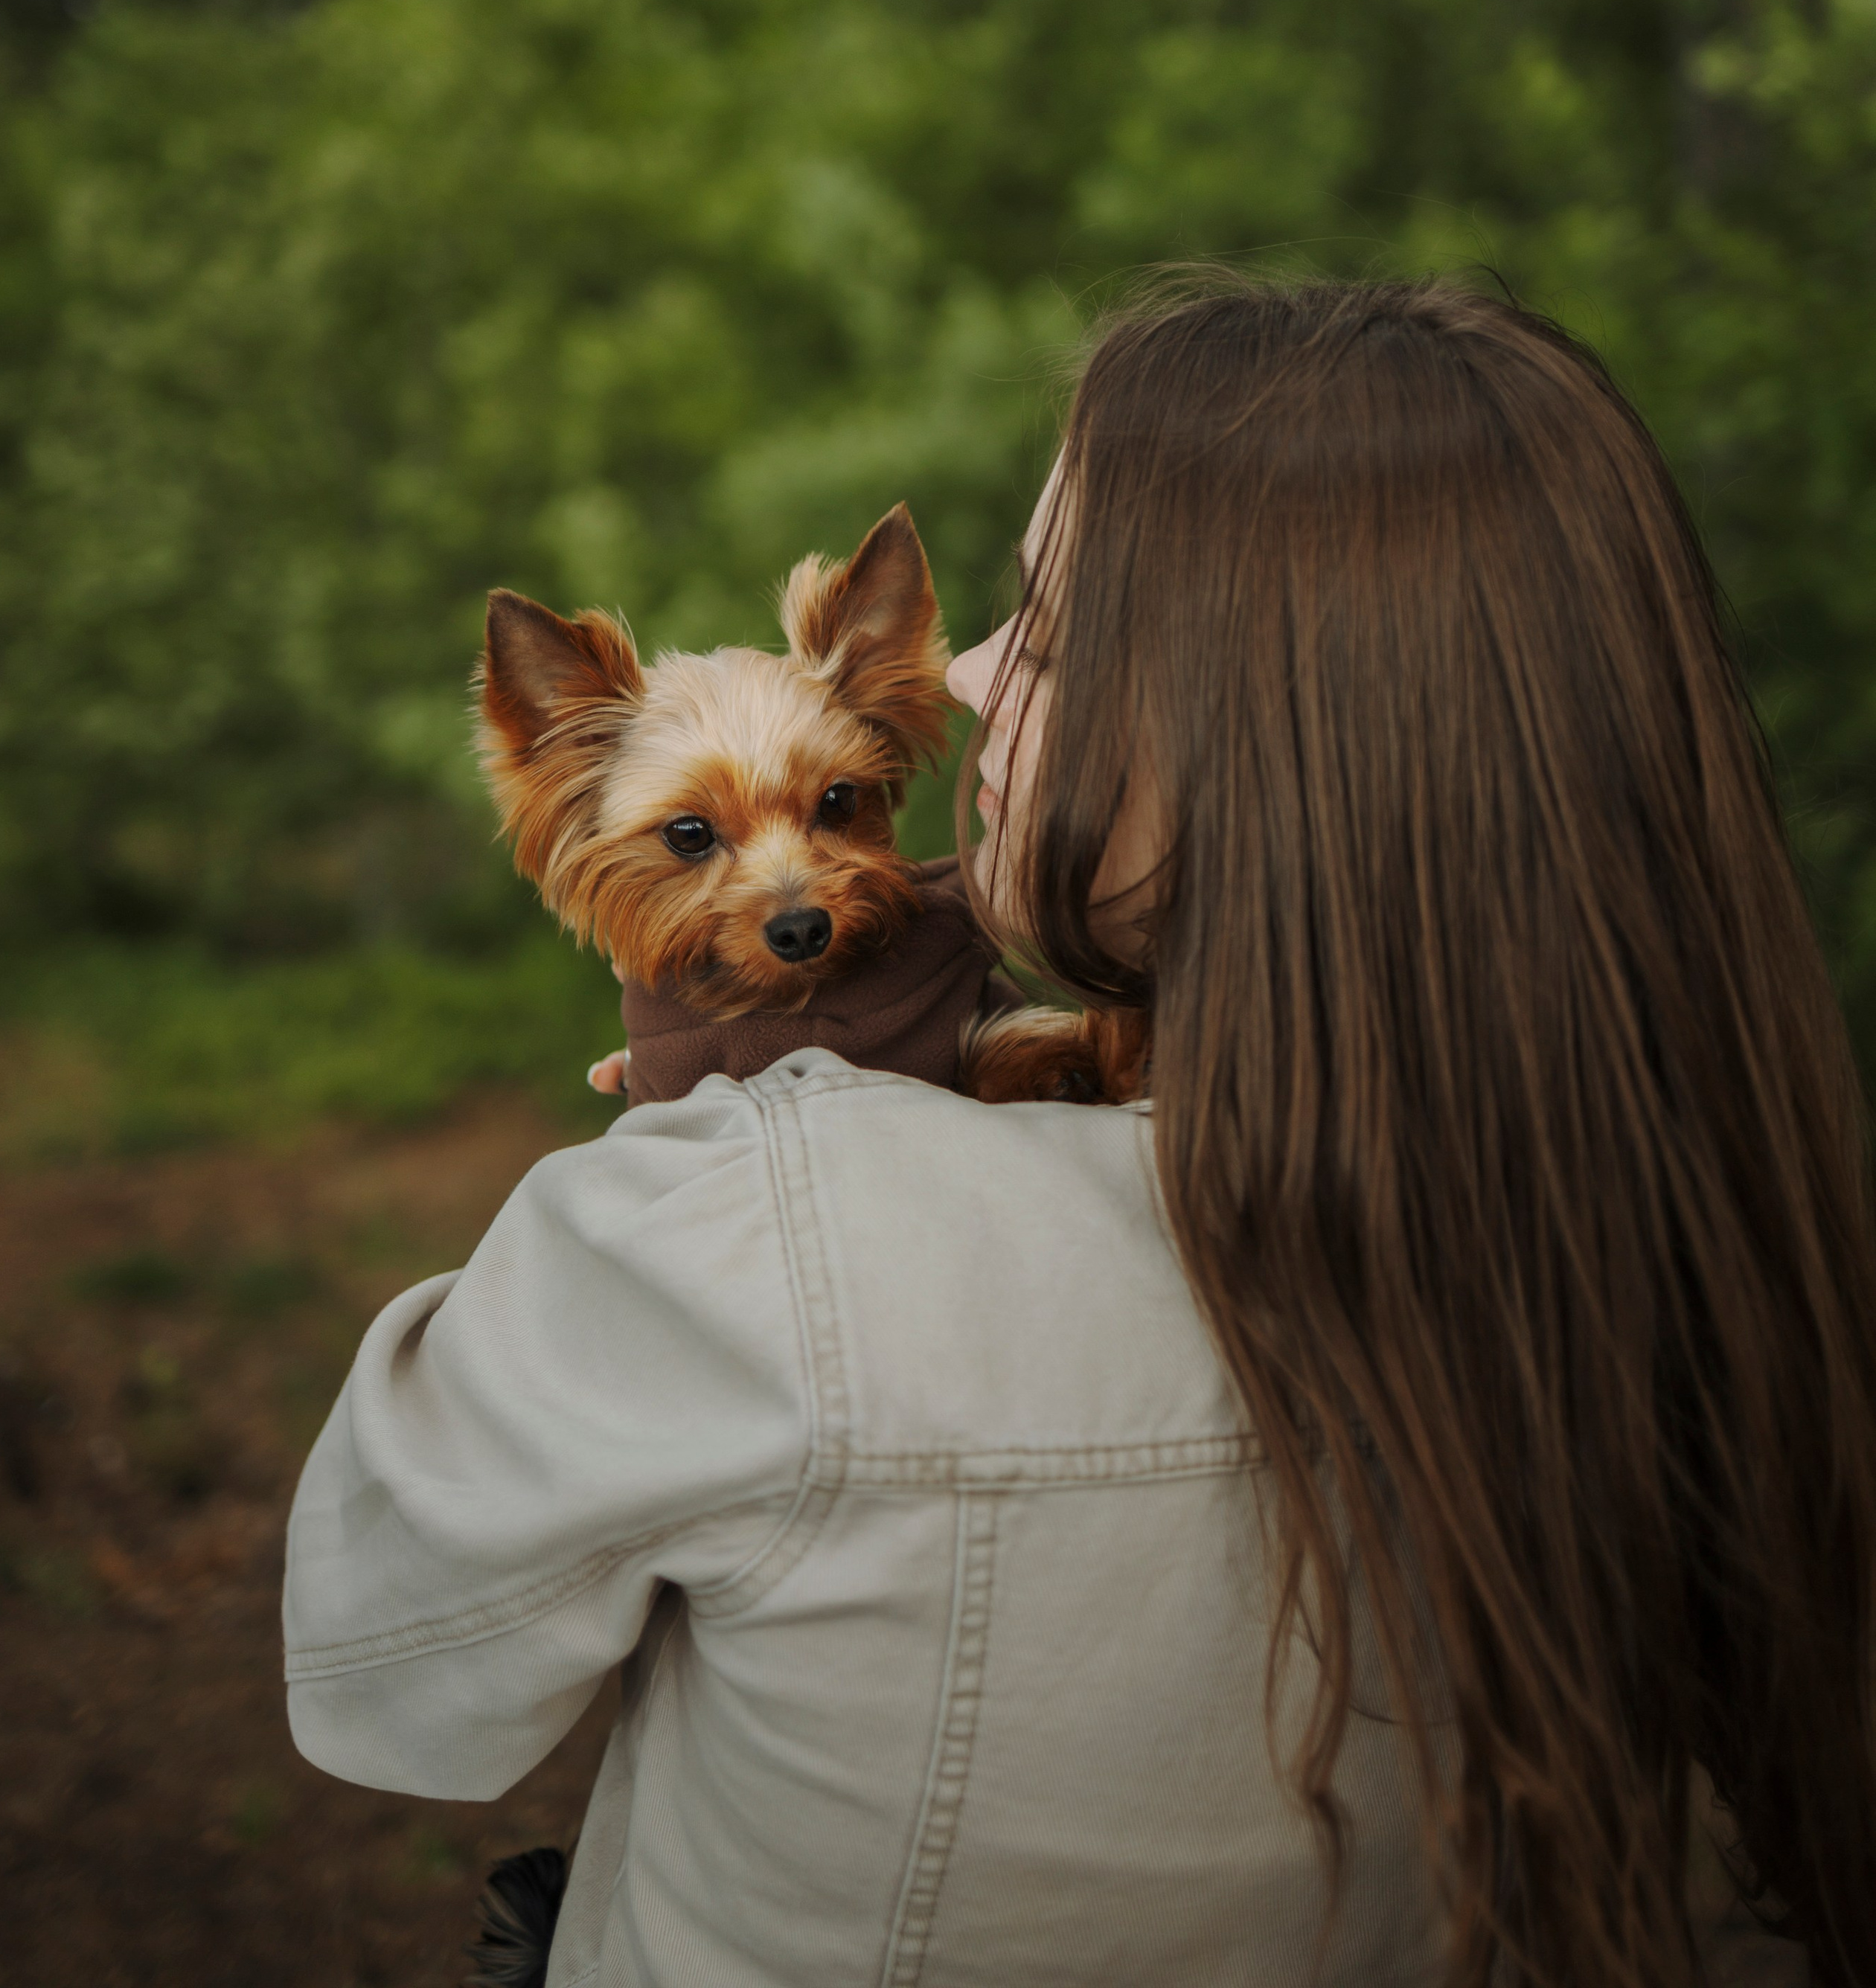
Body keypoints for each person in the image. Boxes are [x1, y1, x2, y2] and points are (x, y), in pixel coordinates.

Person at [282, 276, 1876, 1988]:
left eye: (1041, 626)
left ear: (1259, 737)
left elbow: (385, 1691)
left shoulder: (730, 1246)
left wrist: (678, 1196)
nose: (958, 671)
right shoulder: (1657, 1221)